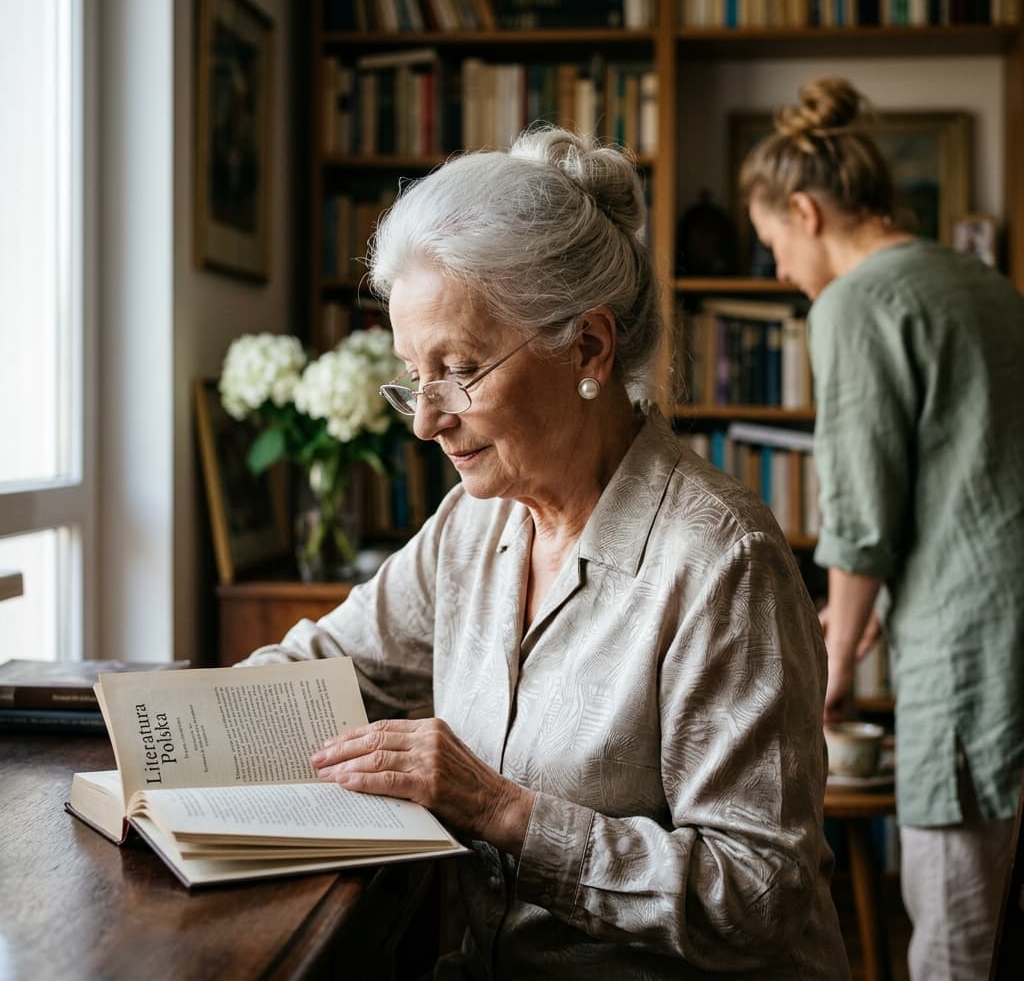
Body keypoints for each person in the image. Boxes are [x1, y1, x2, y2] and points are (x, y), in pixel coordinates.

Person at [240, 126, 848, 979]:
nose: (425, 419)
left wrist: (499, 809)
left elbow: (755, 895)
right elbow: (327, 661)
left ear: (589, 349)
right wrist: (180, 735)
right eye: (414, 375)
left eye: (458, 371)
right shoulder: (472, 525)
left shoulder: (720, 560)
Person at [740, 76, 1024, 981]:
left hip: (973, 651)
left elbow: (860, 520)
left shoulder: (854, 304)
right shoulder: (978, 280)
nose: (779, 273)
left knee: (953, 943)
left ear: (806, 210)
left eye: (774, 245)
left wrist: (835, 659)